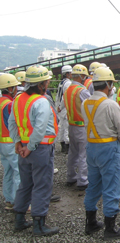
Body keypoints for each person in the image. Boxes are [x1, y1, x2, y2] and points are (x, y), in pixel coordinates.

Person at [9, 65, 59, 236]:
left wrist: (18, 143)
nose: (48, 83)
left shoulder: (17, 100)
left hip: (24, 148)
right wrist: (29, 148)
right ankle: (39, 225)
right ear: (40, 85)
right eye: (46, 81)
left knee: (25, 184)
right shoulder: (41, 101)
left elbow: (12, 123)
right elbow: (40, 129)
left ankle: (19, 220)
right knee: (42, 185)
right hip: (39, 148)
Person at [82, 67, 120, 240]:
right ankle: (110, 228)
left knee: (93, 184)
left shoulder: (85, 102)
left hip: (91, 147)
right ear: (108, 84)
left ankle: (91, 222)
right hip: (108, 146)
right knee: (112, 186)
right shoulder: (110, 104)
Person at [63, 64, 90, 190]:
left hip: (71, 125)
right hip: (81, 126)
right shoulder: (82, 90)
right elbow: (91, 105)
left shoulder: (68, 89)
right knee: (83, 154)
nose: (84, 78)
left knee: (72, 153)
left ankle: (71, 177)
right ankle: (82, 180)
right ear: (81, 76)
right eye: (84, 76)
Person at [0, 74, 21, 211]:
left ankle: (9, 200)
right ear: (10, 88)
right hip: (11, 142)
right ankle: (21, 202)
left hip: (2, 142)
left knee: (7, 172)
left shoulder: (1, 102)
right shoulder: (9, 105)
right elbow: (12, 125)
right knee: (18, 172)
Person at [55, 65, 73, 154]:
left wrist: (58, 106)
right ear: (68, 73)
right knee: (66, 128)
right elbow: (64, 97)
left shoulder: (61, 82)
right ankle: (67, 146)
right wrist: (61, 106)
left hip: (60, 108)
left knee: (61, 127)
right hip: (64, 108)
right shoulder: (68, 83)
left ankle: (62, 145)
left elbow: (58, 95)